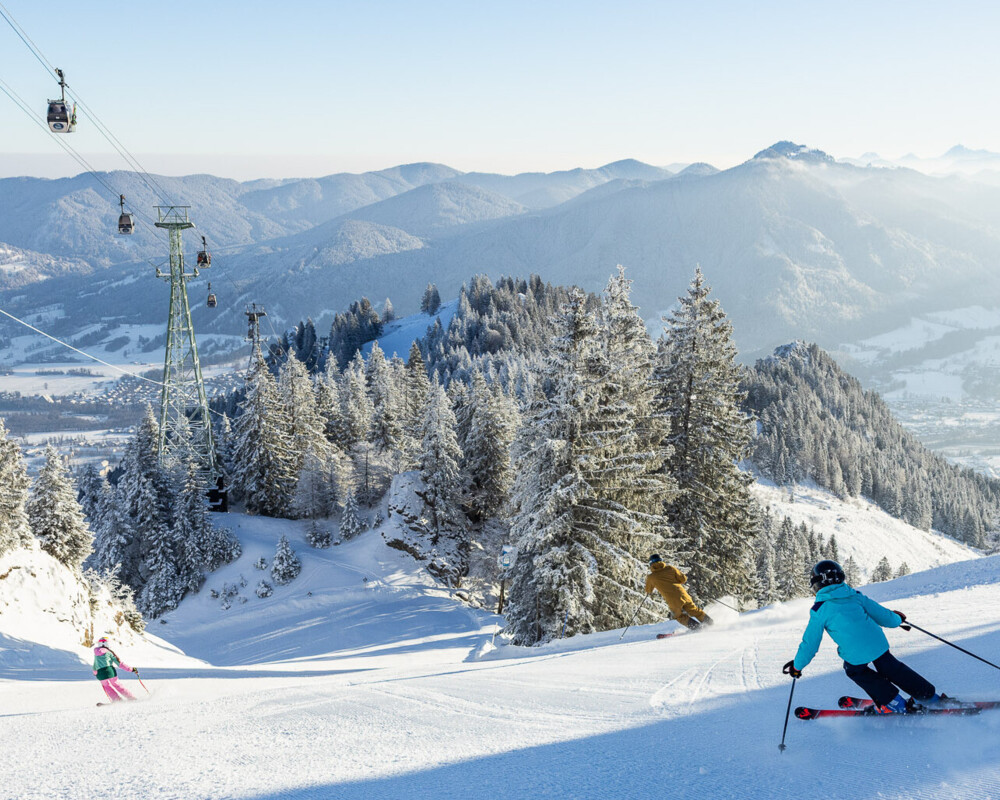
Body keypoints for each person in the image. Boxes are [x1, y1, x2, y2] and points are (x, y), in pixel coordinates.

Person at [783, 559, 944, 714]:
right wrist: (897, 619)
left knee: (855, 671)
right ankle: (928, 696)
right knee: (891, 668)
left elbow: (810, 645)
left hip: (855, 653)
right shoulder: (856, 596)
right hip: (878, 644)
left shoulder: (819, 610)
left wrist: (797, 666)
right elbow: (884, 616)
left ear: (816, 584)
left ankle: (894, 703)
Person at [645, 554, 713, 630]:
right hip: (683, 594)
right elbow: (683, 579)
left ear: (651, 564)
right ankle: (710, 623)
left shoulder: (651, 577)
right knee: (694, 610)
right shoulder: (670, 568)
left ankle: (697, 628)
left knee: (678, 616)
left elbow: (648, 590)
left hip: (672, 600)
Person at [93, 636, 138, 703]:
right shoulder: (109, 652)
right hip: (109, 671)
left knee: (107, 687)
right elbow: (120, 664)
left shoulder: (96, 654)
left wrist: (95, 673)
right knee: (117, 685)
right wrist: (131, 669)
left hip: (100, 674)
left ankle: (117, 700)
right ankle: (131, 698)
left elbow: (94, 666)